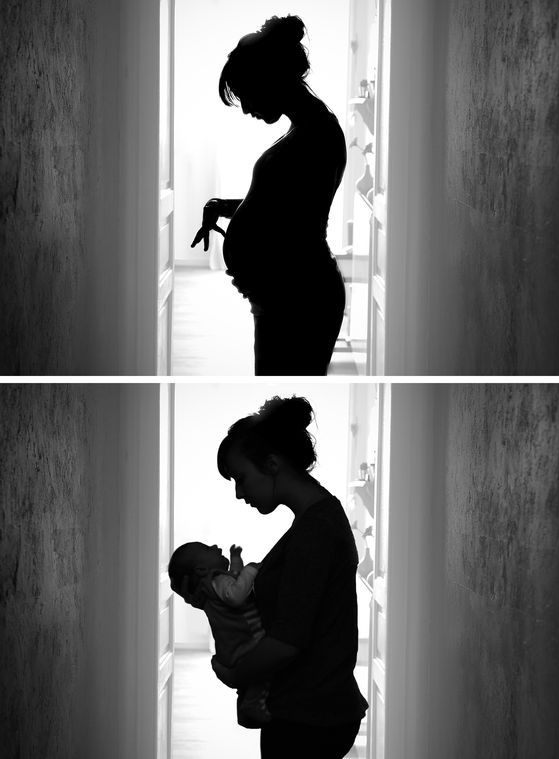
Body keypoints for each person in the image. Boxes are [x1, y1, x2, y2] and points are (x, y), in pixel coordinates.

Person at [180, 396, 369, 758]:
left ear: (271, 464)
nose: (239, 493)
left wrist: (234, 673)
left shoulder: (315, 530)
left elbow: (287, 641)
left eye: (241, 478)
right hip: (309, 712)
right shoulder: (314, 520)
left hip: (309, 720)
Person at [191, 16, 347, 376]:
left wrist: (255, 265)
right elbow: (277, 209)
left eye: (247, 94)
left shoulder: (317, 135)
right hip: (284, 298)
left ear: (270, 77)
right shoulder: (307, 128)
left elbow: (295, 227)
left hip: (299, 302)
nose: (246, 108)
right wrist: (224, 207)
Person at [169, 541, 270, 728]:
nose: (216, 546)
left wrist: (236, 563)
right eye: (208, 549)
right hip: (246, 643)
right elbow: (236, 595)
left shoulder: (211, 587)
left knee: (252, 681)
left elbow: (233, 580)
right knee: (263, 673)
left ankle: (248, 703)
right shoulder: (216, 581)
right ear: (201, 569)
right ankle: (251, 704)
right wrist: (251, 570)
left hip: (232, 649)